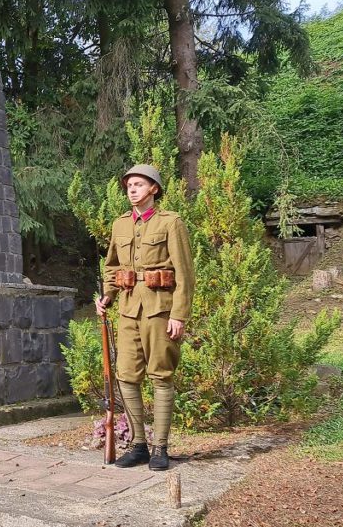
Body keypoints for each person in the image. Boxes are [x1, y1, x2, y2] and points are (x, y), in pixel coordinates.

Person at [96, 164, 195, 471]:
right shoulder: (120, 225)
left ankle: (160, 448)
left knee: (161, 375)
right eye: (129, 186)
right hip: (128, 309)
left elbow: (185, 274)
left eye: (139, 184)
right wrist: (108, 296)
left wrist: (178, 315)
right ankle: (139, 444)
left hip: (159, 310)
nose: (132, 190)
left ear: (154, 188)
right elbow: (112, 265)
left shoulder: (171, 222)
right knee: (126, 375)